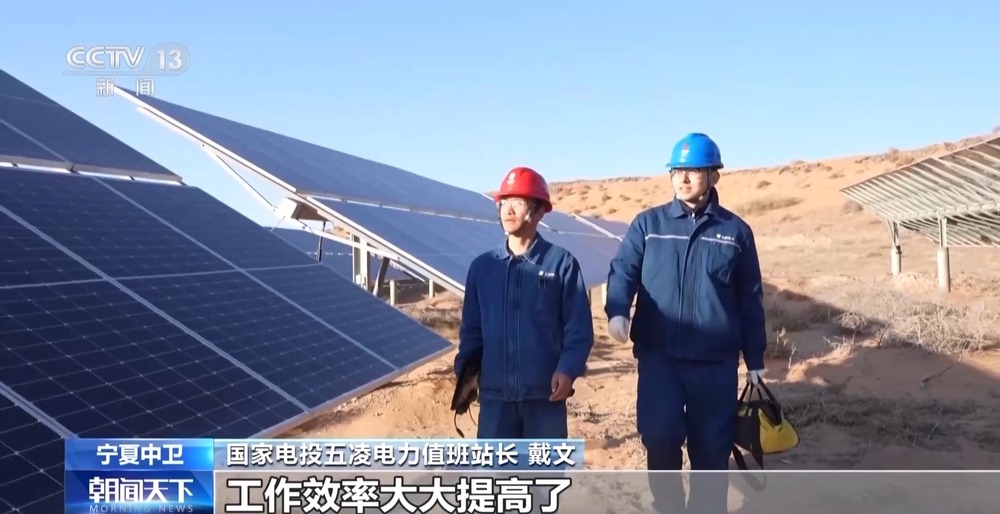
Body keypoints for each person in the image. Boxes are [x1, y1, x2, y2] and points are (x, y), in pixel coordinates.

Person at [605, 132, 767, 512]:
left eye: (693, 171)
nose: (683, 178)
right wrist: (617, 309)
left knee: (711, 449)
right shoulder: (648, 225)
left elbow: (750, 298)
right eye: (677, 171)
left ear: (714, 176)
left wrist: (755, 358)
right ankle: (669, 506)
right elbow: (623, 269)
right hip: (659, 357)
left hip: (714, 363)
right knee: (659, 436)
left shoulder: (736, 232)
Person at [454, 166, 595, 443]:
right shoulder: (483, 268)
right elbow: (471, 331)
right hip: (495, 402)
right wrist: (465, 375)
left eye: (517, 203)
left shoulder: (561, 264)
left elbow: (578, 329)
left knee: (544, 471)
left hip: (545, 400)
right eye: (504, 202)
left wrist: (568, 370)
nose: (507, 210)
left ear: (539, 210)